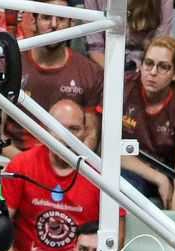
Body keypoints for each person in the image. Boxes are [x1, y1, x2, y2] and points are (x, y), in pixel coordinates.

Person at [0, 99, 103, 251]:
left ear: (85, 132)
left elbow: (115, 238)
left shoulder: (99, 175)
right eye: (58, 128)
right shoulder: (21, 166)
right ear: (45, 129)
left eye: (74, 129)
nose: (65, 137)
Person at [114, 35, 175, 211]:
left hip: (169, 167)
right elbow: (110, 150)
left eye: (163, 67)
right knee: (124, 185)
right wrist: (158, 178)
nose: (153, 72)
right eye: (148, 63)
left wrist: (174, 234)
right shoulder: (123, 87)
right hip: (131, 166)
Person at [11, 9, 106, 150]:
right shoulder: (11, 64)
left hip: (67, 162)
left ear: (72, 23)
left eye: (61, 18)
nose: (54, 25)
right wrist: (30, 165)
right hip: (16, 159)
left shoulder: (90, 72)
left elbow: (90, 135)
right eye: (46, 17)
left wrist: (68, 166)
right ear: (33, 22)